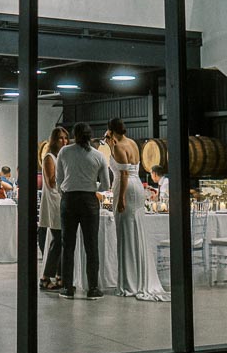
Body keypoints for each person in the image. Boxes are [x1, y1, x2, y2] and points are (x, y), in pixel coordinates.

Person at [107, 119, 169, 302]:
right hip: (137, 187)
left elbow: (123, 173)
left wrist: (120, 198)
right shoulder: (132, 143)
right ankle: (138, 276)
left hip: (126, 187)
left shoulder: (118, 147)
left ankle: (129, 282)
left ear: (110, 130)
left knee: (125, 234)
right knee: (135, 231)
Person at [55, 122, 111, 299]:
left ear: (74, 135)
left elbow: (59, 179)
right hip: (89, 201)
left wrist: (65, 189)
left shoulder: (64, 152)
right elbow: (106, 185)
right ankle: (93, 288)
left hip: (69, 199)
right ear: (90, 136)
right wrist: (91, 186)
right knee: (91, 245)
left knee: (68, 245)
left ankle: (67, 287)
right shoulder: (99, 156)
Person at [38, 126, 68, 291]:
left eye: (65, 138)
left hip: (62, 199)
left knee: (62, 241)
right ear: (54, 140)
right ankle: (45, 277)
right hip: (55, 201)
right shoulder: (50, 157)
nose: (63, 141)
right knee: (57, 241)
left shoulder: (62, 157)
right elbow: (51, 182)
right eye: (60, 138)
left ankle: (59, 275)